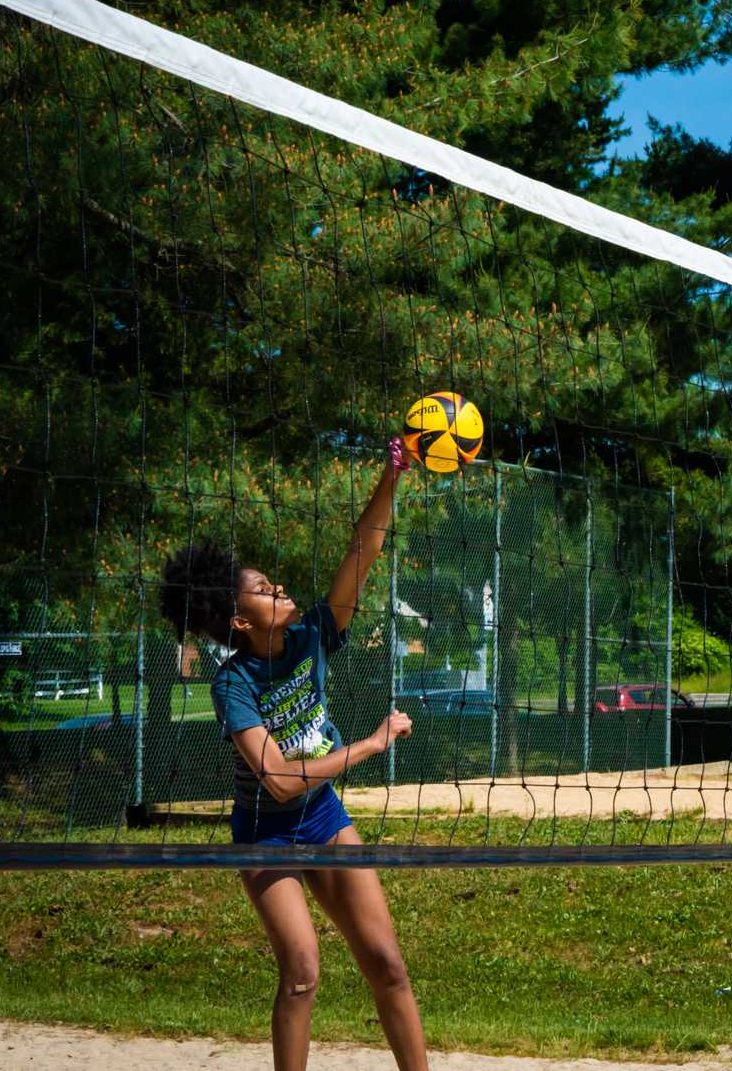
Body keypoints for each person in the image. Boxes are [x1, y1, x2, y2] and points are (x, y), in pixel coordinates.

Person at [159, 440, 426, 1071]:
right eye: (261, 589)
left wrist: (392, 474)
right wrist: (370, 745)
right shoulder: (234, 684)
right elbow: (278, 781)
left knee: (387, 964)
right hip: (266, 833)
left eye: (271, 583)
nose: (277, 588)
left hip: (324, 817)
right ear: (240, 621)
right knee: (303, 972)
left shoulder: (312, 636)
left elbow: (363, 552)